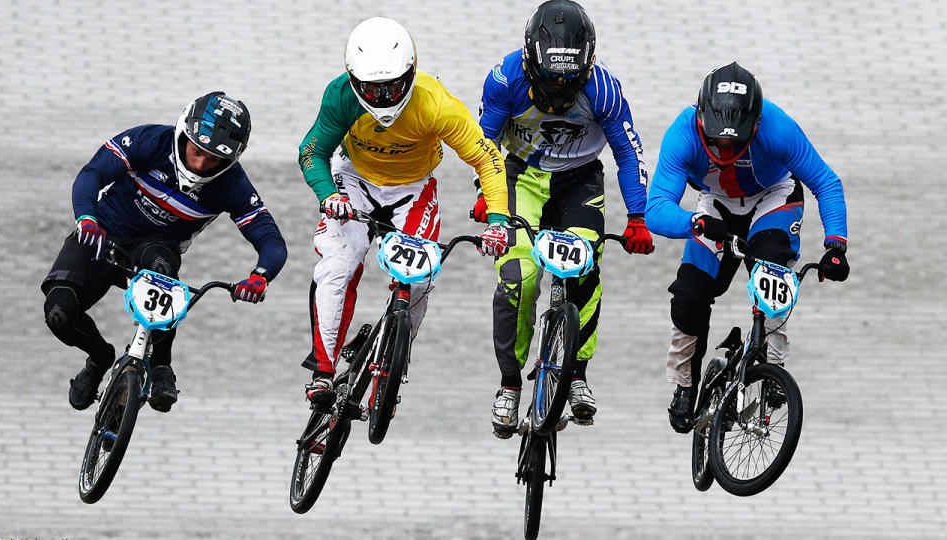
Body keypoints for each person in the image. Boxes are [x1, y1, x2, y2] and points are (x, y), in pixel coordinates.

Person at [297, 17, 510, 405]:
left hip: (413, 189)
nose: (382, 98)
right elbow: (313, 151)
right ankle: (323, 372)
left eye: (392, 86)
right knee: (338, 265)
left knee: (421, 279)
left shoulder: (436, 104)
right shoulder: (341, 96)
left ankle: (395, 362)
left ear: (410, 72)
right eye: (371, 89)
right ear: (353, 79)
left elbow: (488, 159)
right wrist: (328, 193)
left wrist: (497, 221)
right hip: (354, 180)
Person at [42, 91, 288, 413]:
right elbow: (93, 174)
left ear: (230, 160)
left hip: (156, 246)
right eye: (197, 150)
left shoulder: (232, 183)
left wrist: (260, 277)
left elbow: (271, 240)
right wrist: (86, 217)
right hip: (102, 232)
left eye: (213, 160)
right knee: (59, 313)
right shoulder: (149, 140)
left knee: (160, 263)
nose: (200, 164)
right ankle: (99, 357)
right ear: (184, 132)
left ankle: (161, 366)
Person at [475, 0, 653, 438]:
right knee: (520, 278)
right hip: (520, 177)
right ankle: (510, 384)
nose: (558, 91)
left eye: (568, 82)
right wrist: (485, 196)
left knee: (585, 267)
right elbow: (484, 145)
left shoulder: (605, 89)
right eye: (550, 81)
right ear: (530, 62)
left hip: (579, 182)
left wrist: (637, 217)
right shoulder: (504, 79)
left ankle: (577, 375)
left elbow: (628, 153)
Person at [645, 62, 849, 433]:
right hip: (716, 205)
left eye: (735, 141)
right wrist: (694, 223)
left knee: (772, 273)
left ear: (755, 125)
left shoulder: (777, 126)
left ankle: (773, 367)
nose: (725, 148)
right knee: (689, 296)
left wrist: (836, 245)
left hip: (774, 198)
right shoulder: (682, 133)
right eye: (717, 140)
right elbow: (656, 210)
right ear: (702, 118)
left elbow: (826, 182)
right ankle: (684, 385)